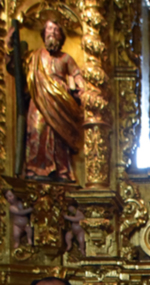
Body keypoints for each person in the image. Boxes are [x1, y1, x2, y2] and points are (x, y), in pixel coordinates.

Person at [6, 20, 84, 182]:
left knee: (59, 136)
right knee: (37, 130)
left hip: (61, 102)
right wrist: (9, 47)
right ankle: (35, 168)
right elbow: (16, 69)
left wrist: (82, 88)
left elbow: (77, 75)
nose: (53, 33)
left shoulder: (66, 59)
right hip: (39, 101)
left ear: (61, 37)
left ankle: (62, 171)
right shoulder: (34, 56)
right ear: (44, 34)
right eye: (49, 29)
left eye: (56, 30)